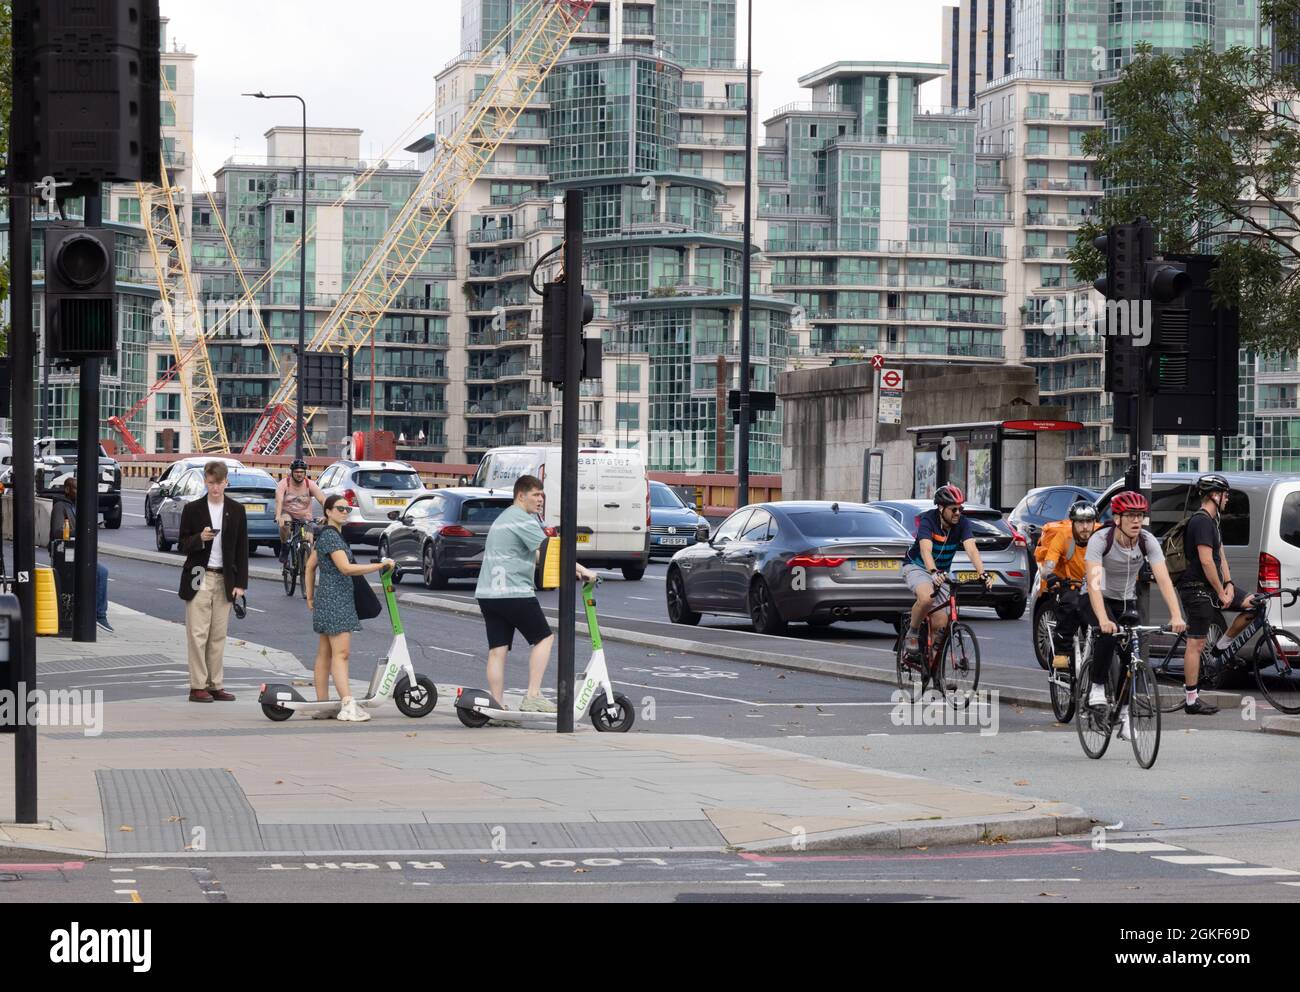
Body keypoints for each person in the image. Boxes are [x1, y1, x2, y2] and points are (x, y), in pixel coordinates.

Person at [475, 474, 596, 715]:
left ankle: (497, 707)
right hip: (513, 592)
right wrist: (584, 571)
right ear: (521, 496)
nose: (540, 499)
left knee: (497, 650)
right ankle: (533, 695)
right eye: (535, 495)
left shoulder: (504, 519)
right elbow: (551, 553)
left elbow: (537, 555)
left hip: (488, 593)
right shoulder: (523, 520)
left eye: (542, 495)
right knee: (544, 638)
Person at [1083, 490, 1186, 738]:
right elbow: (1094, 584)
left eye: (1140, 515)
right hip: (1095, 598)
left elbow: (1163, 579)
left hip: (1126, 601)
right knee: (1108, 635)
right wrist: (1104, 619)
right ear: (1117, 518)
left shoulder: (1147, 541)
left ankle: (1124, 714)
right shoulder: (1100, 540)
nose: (1136, 521)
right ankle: (1096, 686)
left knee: (1133, 657)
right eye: (1130, 515)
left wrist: (1176, 615)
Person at [304, 493, 395, 722]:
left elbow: (309, 566)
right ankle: (347, 704)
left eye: (347, 509)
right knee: (342, 655)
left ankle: (323, 704)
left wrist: (311, 597)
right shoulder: (332, 538)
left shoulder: (325, 535)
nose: (344, 512)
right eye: (339, 508)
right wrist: (379, 565)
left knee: (325, 654)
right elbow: (345, 569)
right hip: (337, 602)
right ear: (328, 512)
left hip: (327, 599)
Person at [1177, 474, 1252, 716]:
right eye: (1225, 494)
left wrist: (1228, 584)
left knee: (1254, 605)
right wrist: (1220, 591)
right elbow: (1206, 561)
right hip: (1196, 589)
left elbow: (1221, 556)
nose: (1228, 498)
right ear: (1214, 495)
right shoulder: (1201, 522)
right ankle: (1191, 700)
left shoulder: (1214, 521)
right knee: (1196, 642)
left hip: (1214, 586)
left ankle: (1221, 647)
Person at [178, 461, 248, 703]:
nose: (215, 488)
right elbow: (182, 544)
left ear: (226, 482)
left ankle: (215, 684)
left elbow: (242, 548)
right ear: (205, 482)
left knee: (218, 634)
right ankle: (197, 685)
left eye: (219, 483)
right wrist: (200, 538)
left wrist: (241, 583)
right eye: (210, 483)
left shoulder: (237, 510)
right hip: (200, 573)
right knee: (198, 633)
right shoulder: (193, 509)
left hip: (225, 577)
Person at [901, 484, 993, 666]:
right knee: (927, 599)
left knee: (941, 623)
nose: (958, 513)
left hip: (942, 573)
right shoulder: (929, 520)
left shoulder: (962, 524)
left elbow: (972, 549)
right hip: (917, 567)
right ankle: (912, 632)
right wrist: (933, 572)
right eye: (954, 509)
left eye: (961, 508)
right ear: (942, 508)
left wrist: (982, 573)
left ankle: (935, 673)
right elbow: (926, 550)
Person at [47, 476, 113, 633]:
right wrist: (81, 532)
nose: (79, 492)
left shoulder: (78, 506)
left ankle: (95, 614)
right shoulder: (61, 506)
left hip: (79, 552)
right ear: (67, 489)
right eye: (76, 488)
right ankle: (99, 615)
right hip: (66, 555)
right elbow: (57, 532)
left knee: (100, 573)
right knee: (101, 572)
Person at [1042, 502, 1099, 670]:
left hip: (1093, 586)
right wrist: (1050, 576)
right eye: (1080, 522)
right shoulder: (1063, 537)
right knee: (1071, 606)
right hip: (1068, 585)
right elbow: (1048, 566)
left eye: (1089, 522)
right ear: (1073, 523)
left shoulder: (1100, 536)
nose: (1085, 527)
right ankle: (1062, 652)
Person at [275, 458, 326, 564]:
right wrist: (278, 516)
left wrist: (327, 515)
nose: (299, 474)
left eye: (302, 472)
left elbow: (323, 500)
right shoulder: (284, 483)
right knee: (285, 524)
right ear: (291, 473)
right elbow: (279, 500)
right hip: (288, 513)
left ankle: (305, 571)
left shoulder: (310, 484)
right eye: (297, 472)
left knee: (308, 541)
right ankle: (284, 546)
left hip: (305, 516)